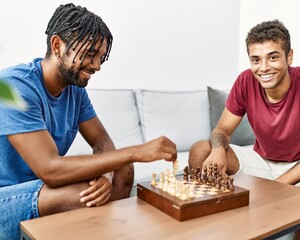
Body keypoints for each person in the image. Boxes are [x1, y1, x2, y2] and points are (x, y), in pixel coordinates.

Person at [0, 4, 177, 240]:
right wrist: (136, 151)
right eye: (90, 54)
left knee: (122, 170)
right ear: (57, 45)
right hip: (7, 195)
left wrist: (106, 176)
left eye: (100, 57)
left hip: (40, 188)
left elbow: (101, 140)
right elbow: (50, 168)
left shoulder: (75, 90)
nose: (97, 66)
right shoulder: (15, 87)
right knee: (82, 193)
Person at [189, 19, 300, 239]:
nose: (264, 67)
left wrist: (276, 187)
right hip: (262, 161)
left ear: (289, 56)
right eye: (256, 59)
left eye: (273, 57)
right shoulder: (245, 81)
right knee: (201, 149)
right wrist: (218, 149)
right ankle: (214, 232)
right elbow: (221, 130)